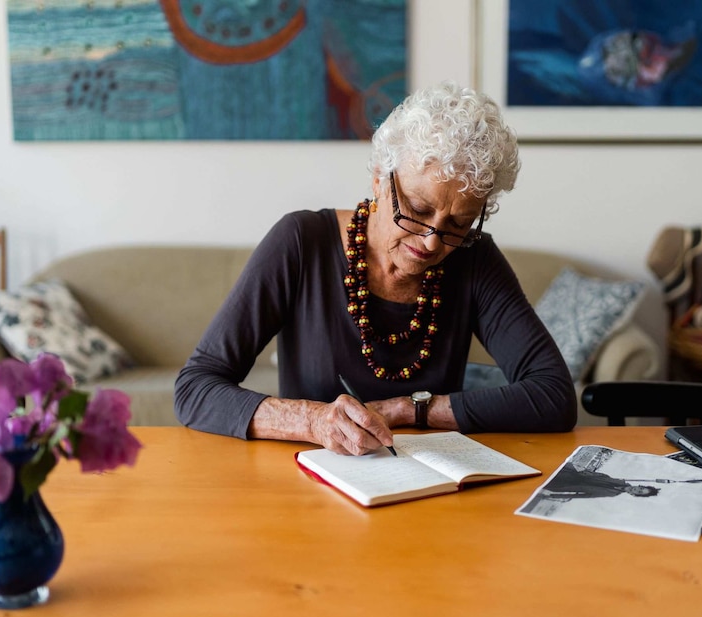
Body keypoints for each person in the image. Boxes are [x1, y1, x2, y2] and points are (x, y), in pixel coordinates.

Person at [175, 81, 577, 454]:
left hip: (431, 483)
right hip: (315, 481)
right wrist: (314, 420)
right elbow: (195, 389)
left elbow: (553, 396)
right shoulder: (301, 241)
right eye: (418, 210)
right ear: (380, 179)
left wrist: (409, 409)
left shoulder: (474, 258)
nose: (432, 242)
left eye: (458, 223)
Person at [541, 463, 660, 500]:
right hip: (569, 474)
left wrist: (554, 495)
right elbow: (598, 475)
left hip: (564, 485)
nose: (636, 490)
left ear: (635, 495)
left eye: (639, 492)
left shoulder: (611, 494)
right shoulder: (619, 481)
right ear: (639, 485)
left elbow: (585, 496)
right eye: (640, 488)